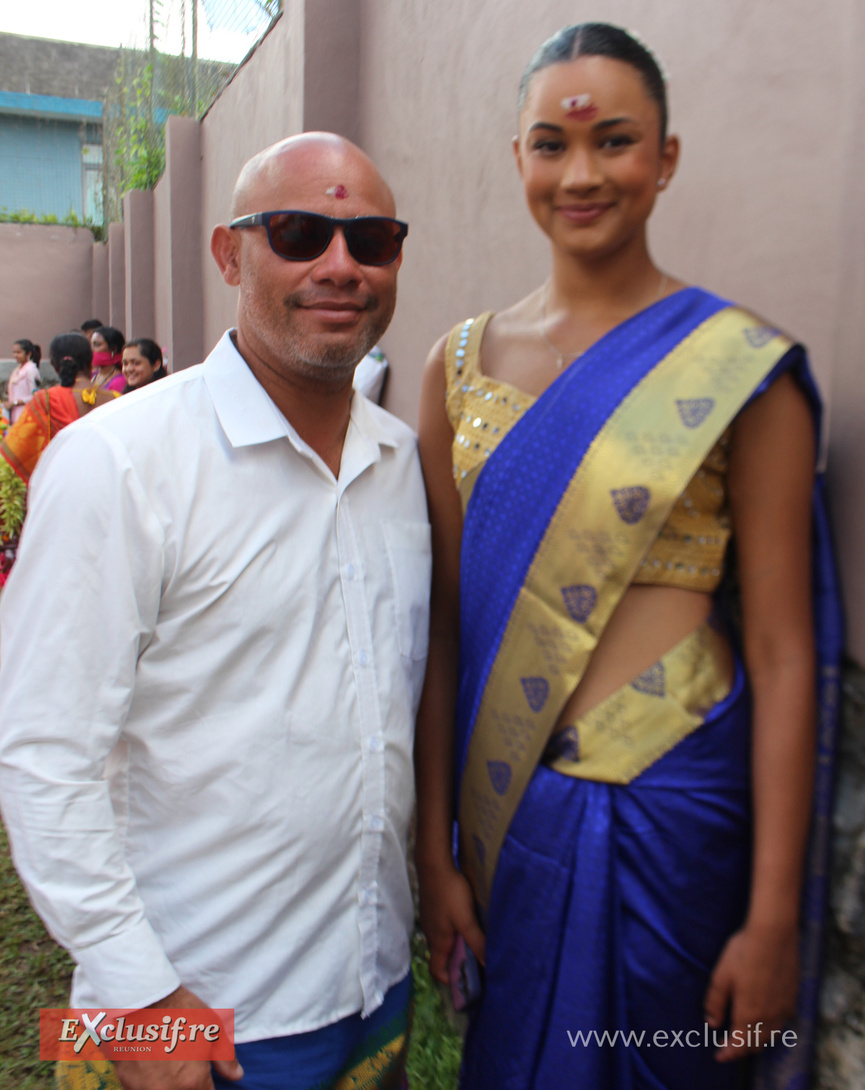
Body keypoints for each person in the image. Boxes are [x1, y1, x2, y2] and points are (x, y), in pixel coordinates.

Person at [414, 23, 841, 1090]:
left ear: (665, 159)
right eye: (551, 145)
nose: (583, 173)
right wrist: (436, 850)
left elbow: (787, 653)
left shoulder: (738, 369)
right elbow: (444, 634)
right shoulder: (454, 365)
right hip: (507, 810)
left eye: (615, 141)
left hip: (677, 803)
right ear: (517, 158)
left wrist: (774, 914)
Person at [0, 132, 429, 1090]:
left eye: (371, 240)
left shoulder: (402, 464)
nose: (339, 265)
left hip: (371, 988)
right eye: (298, 231)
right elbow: (40, 750)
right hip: (192, 1021)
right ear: (230, 252)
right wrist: (135, 1000)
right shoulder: (119, 462)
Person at [0, 332, 118, 584]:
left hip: (60, 509)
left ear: (54, 365)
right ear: (90, 361)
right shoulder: (116, 400)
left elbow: (13, 458)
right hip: (111, 508)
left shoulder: (46, 401)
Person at [4, 338, 41, 423]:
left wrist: (15, 403)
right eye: (14, 352)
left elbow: (35, 395)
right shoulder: (17, 370)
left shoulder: (31, 370)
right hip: (15, 414)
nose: (15, 355)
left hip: (26, 413)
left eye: (18, 352)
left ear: (28, 354)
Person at [90, 325, 127, 394]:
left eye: (97, 344)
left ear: (113, 349)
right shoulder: (92, 375)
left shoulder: (119, 381)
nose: (91, 349)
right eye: (91, 344)